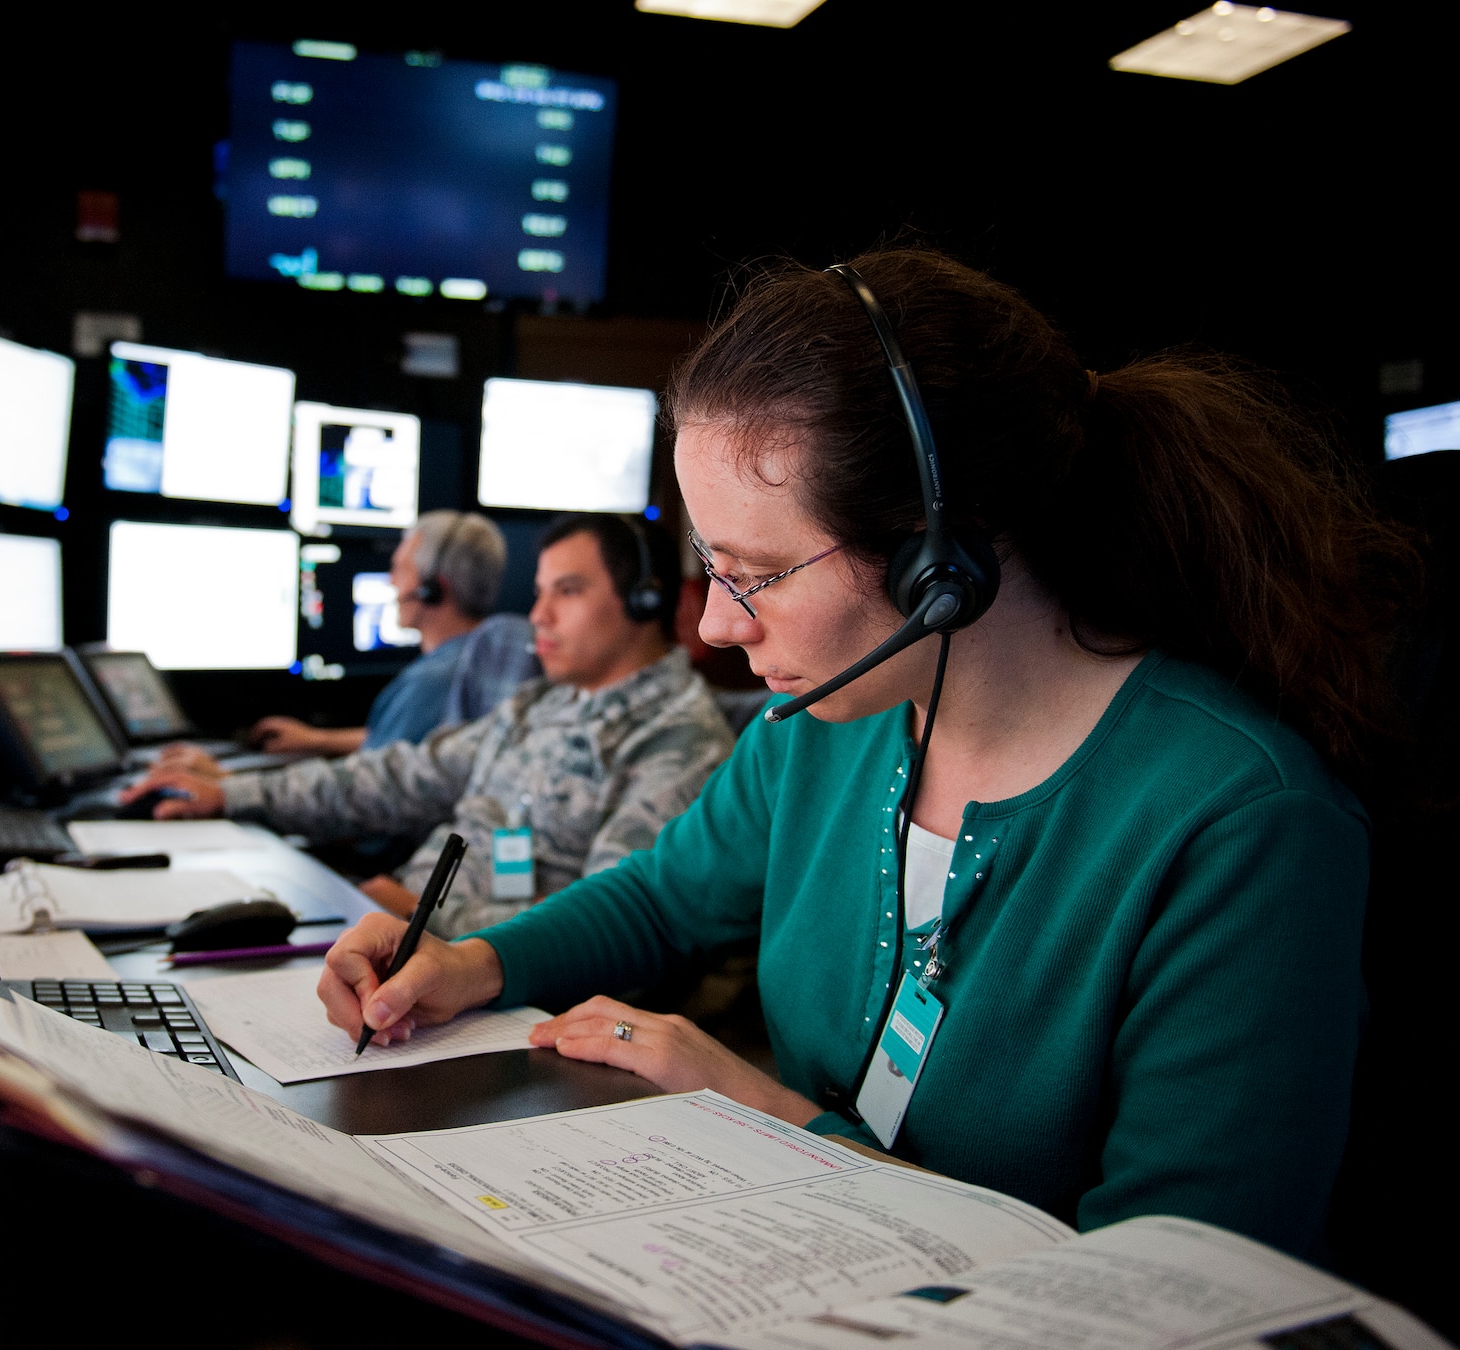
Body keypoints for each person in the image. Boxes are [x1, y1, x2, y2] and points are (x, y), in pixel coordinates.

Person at [315, 248, 1416, 1260]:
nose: (713, 626)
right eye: (709, 565)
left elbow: (1178, 1288)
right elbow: (657, 900)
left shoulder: (1240, 823)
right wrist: (474, 964)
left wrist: (771, 1120)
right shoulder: (818, 730)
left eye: (758, 572)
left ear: (945, 563)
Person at [125, 515, 735, 936]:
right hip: (407, 943)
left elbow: (613, 929)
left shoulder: (675, 742)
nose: (538, 615)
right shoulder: (543, 705)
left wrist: (424, 918)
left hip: (497, 993)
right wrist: (231, 795)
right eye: (540, 591)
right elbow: (401, 776)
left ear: (646, 601)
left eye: (567, 592)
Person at [247, 511, 536, 758]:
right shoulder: (489, 660)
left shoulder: (433, 681)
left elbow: (374, 780)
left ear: (432, 588)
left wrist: (231, 787)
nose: (391, 581)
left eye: (399, 569)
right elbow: (408, 748)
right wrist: (318, 740)